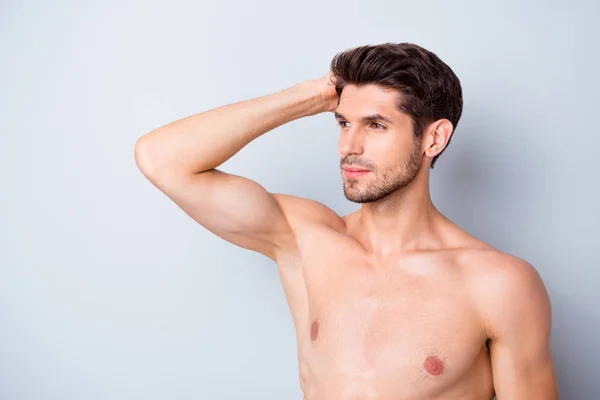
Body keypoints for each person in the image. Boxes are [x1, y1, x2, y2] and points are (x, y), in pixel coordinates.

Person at [134, 42, 558, 399]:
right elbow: (161, 160)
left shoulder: (498, 282)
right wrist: (309, 97)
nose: (349, 146)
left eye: (376, 125)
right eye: (343, 123)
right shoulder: (306, 238)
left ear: (434, 137)